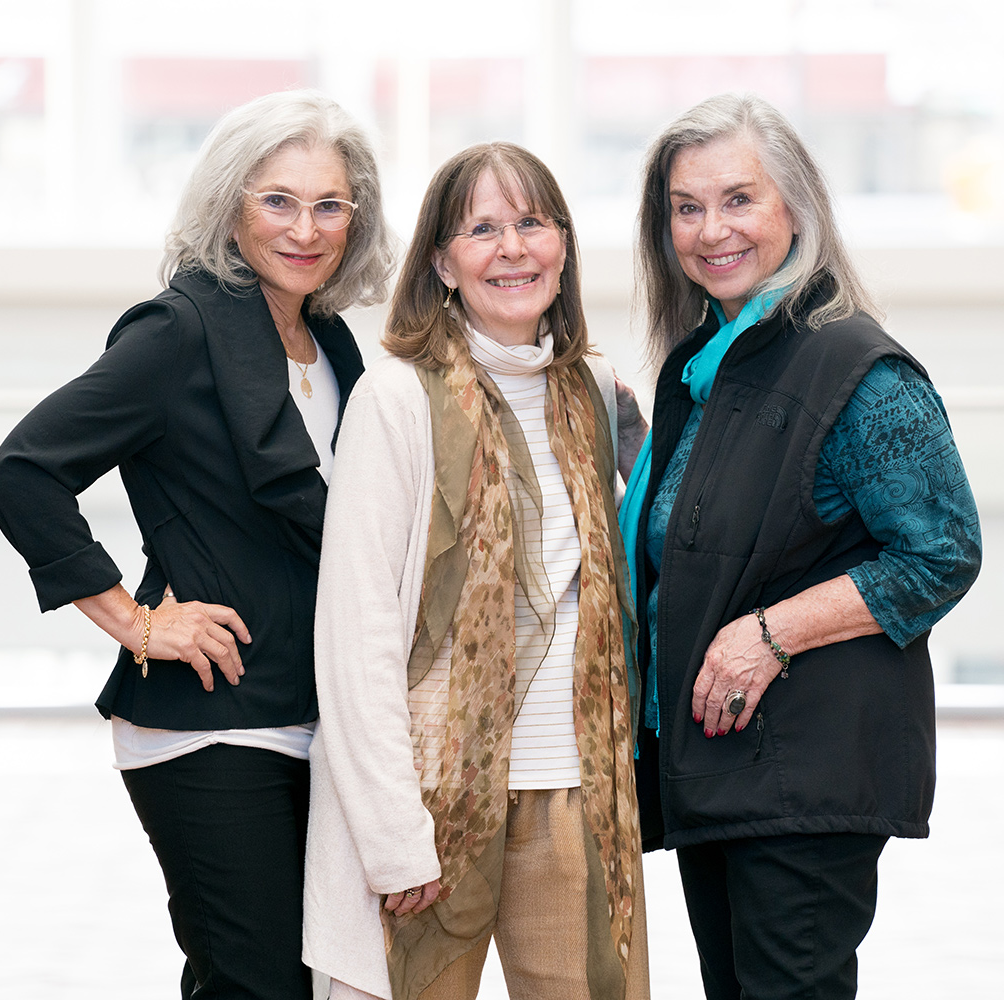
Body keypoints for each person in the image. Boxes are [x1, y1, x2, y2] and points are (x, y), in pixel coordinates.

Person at [0, 90, 393, 1000]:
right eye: (277, 201)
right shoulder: (177, 330)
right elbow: (24, 471)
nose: (306, 228)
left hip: (318, 715)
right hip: (207, 720)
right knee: (254, 984)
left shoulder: (333, 344)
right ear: (228, 206)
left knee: (307, 981)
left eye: (330, 205)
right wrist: (138, 623)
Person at [620, 93, 983, 1000]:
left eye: (739, 199)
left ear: (796, 207)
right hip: (721, 772)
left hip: (800, 777)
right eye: (686, 208)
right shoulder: (706, 364)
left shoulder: (854, 365)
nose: (711, 231)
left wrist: (770, 633)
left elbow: (941, 551)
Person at [304, 142, 650, 1000]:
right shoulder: (396, 398)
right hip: (429, 799)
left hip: (577, 795)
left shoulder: (596, 391)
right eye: (482, 229)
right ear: (441, 263)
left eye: (533, 223)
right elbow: (357, 632)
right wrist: (392, 836)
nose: (512, 249)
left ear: (563, 247)